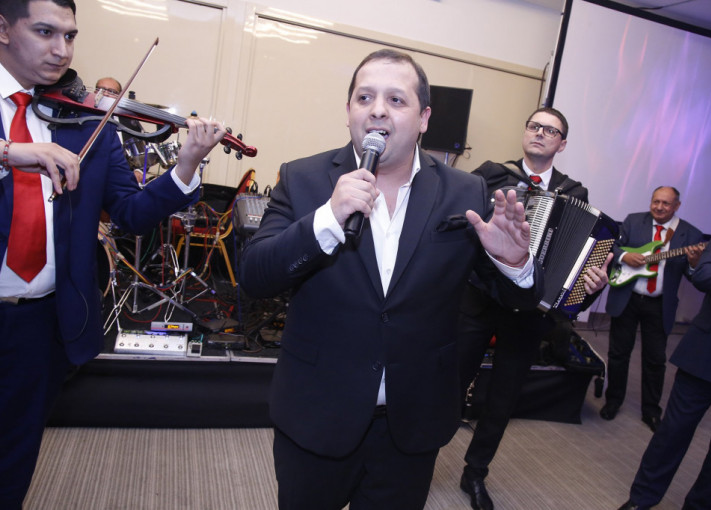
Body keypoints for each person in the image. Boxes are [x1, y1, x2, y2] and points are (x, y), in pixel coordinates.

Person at [237, 48, 544, 510]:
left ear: (424, 119)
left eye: (396, 100)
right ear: (348, 112)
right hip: (317, 414)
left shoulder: (465, 191)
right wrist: (328, 218)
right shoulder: (303, 178)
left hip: (412, 423)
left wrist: (513, 262)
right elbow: (255, 276)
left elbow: (517, 300)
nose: (378, 110)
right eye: (365, 98)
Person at [0, 1, 225, 508]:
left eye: (70, 36)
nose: (61, 50)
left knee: (12, 459)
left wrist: (187, 164)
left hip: (39, 323)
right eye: (45, 32)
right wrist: (11, 152)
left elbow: (129, 212)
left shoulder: (84, 122)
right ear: (4, 29)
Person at [457, 107, 611, 510]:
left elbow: (575, 258)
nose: (540, 133)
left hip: (528, 312)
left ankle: (475, 472)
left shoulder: (575, 193)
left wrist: (589, 280)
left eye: (550, 130)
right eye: (534, 126)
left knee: (503, 398)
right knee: (451, 382)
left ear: (562, 144)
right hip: (481, 296)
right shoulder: (492, 174)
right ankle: (420, 456)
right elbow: (461, 226)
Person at [617, 219, 711, 510]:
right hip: (709, 354)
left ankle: (700, 504)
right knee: (673, 434)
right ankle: (641, 500)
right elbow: (706, 274)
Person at [601, 186, 704, 431]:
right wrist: (624, 257)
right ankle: (613, 401)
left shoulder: (690, 234)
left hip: (659, 304)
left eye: (666, 203)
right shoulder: (633, 221)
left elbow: (694, 276)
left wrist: (694, 263)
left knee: (655, 360)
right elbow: (611, 246)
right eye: (656, 201)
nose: (659, 207)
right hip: (628, 298)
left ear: (677, 206)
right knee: (618, 354)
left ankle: (651, 410)